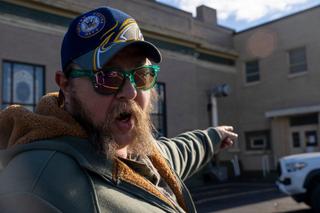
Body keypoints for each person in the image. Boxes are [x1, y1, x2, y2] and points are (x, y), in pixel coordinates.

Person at [0, 6, 238, 213]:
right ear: (66, 85)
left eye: (141, 75)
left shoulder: (143, 156)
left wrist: (214, 136)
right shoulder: (37, 187)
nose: (131, 92)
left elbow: (177, 152)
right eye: (108, 77)